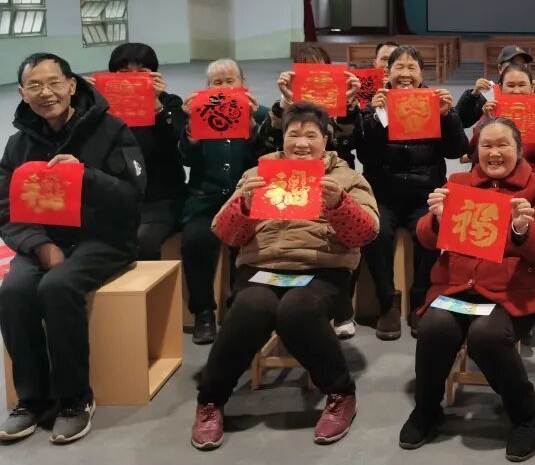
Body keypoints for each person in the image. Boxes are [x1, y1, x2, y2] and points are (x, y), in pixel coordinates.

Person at [190, 103, 379, 451]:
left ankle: (340, 393)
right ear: (283, 137)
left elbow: (365, 233)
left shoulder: (346, 178)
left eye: (311, 135)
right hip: (262, 267)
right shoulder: (257, 174)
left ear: (326, 140)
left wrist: (339, 205)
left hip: (322, 269)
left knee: (297, 310)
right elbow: (226, 233)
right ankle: (210, 401)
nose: (302, 143)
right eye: (294, 134)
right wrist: (244, 206)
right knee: (250, 307)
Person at [0, 53, 145, 444]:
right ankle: (31, 399)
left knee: (58, 286)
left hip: (105, 240)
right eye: (35, 86)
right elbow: (5, 207)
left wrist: (86, 175)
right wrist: (39, 244)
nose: (46, 93)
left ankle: (75, 399)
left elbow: (134, 196)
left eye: (54, 83)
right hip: (44, 241)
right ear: (22, 93)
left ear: (71, 85)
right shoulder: (18, 145)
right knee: (13, 292)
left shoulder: (112, 130)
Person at [398, 118, 535, 462]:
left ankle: (527, 414)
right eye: (486, 145)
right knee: (433, 327)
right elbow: (425, 238)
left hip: (509, 294)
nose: (494, 152)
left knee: (486, 334)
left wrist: (522, 231)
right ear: (476, 151)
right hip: (456, 288)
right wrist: (437, 219)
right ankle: (427, 408)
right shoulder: (457, 184)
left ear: (519, 149)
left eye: (503, 145)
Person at [353, 45, 469, 340]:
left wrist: (447, 116)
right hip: (383, 193)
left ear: (421, 74)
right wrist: (376, 117)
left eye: (411, 67)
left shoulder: (434, 101)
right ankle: (387, 303)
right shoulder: (375, 105)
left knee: (434, 230)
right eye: (399, 67)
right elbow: (366, 155)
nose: (405, 73)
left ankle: (420, 300)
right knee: (375, 232)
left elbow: (457, 150)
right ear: (388, 73)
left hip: (425, 193)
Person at [258, 46, 365, 337]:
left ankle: (342, 307)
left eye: (320, 69)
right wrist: (285, 102)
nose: (313, 76)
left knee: (346, 232)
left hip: (333, 178)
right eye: (305, 69)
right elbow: (265, 143)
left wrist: (348, 104)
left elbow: (354, 142)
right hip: (289, 181)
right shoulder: (284, 108)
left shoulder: (341, 106)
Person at [178, 59, 269, 345]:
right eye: (217, 83)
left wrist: (253, 126)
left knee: (248, 243)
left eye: (231, 81)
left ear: (244, 85)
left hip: (247, 200)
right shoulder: (197, 114)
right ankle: (203, 312)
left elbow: (267, 159)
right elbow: (185, 159)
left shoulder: (261, 114)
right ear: (206, 88)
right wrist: (191, 129)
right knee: (195, 241)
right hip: (205, 200)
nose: (225, 87)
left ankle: (238, 308)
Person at [103, 42, 188, 261]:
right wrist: (84, 99)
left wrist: (156, 104)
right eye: (124, 73)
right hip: (117, 197)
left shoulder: (170, 103)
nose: (133, 79)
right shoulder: (102, 108)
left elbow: (180, 147)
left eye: (141, 72)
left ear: (155, 75)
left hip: (161, 199)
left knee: (143, 241)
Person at [468, 62, 535, 193]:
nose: (516, 90)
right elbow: (473, 154)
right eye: (510, 85)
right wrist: (485, 121)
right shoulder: (490, 115)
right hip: (494, 186)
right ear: (500, 88)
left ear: (532, 88)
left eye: (522, 85)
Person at [456, 45, 535, 129]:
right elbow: (462, 122)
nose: (517, 69)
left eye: (522, 65)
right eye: (512, 64)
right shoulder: (489, 93)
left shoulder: (534, 92)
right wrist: (473, 95)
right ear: (500, 68)